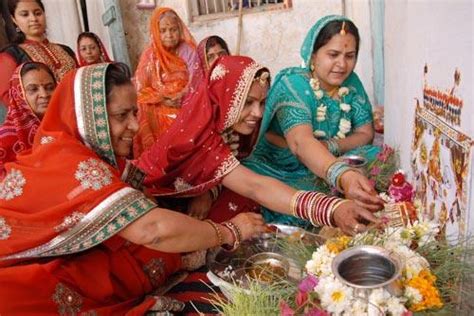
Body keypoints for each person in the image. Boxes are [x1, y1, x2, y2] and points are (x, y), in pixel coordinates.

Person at [0, 62, 265, 314]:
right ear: (90, 118)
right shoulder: (70, 161)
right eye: (121, 116)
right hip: (16, 287)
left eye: (135, 112)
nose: (136, 127)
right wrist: (229, 232)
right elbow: (152, 230)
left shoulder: (86, 152)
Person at [137, 56, 379, 236]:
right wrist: (330, 209)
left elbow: (231, 173)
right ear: (224, 99)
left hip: (199, 196)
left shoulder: (228, 128)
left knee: (250, 206)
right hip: (156, 205)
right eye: (248, 103)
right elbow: (255, 186)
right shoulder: (203, 135)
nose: (257, 113)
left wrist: (208, 190)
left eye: (262, 103)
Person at [241, 15, 384, 226]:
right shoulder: (292, 84)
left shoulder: (351, 82)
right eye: (333, 54)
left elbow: (365, 133)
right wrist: (341, 174)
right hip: (283, 166)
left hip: (328, 155)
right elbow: (301, 144)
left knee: (378, 156)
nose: (342, 64)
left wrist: (331, 146)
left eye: (350, 56)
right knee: (308, 198)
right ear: (313, 55)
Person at [133, 7, 203, 157]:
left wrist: (182, 95)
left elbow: (197, 78)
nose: (169, 35)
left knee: (181, 119)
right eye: (163, 30)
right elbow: (140, 88)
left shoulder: (188, 50)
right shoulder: (149, 55)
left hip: (185, 101)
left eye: (173, 29)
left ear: (180, 29)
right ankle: (155, 159)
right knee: (142, 110)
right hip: (160, 104)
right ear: (156, 32)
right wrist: (163, 99)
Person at [0, 0, 76, 107]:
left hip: (76, 114)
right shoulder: (11, 55)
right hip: (42, 121)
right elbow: (9, 98)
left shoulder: (66, 50)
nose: (33, 19)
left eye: (37, 13)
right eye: (25, 15)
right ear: (14, 20)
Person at [0, 61, 56, 176]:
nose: (44, 94)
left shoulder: (68, 125)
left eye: (50, 88)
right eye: (33, 89)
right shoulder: (5, 140)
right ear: (18, 94)